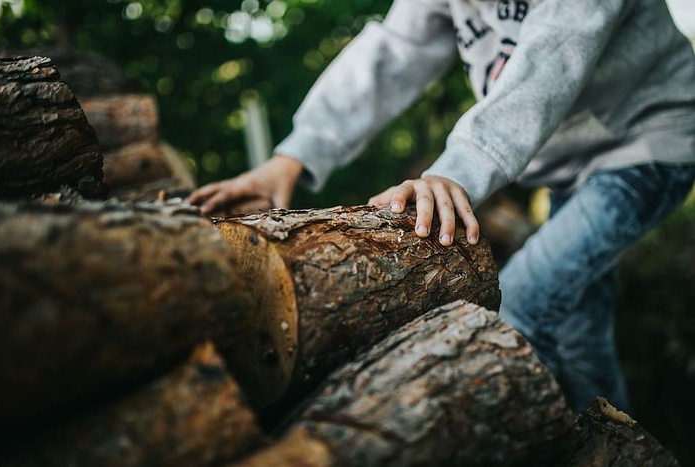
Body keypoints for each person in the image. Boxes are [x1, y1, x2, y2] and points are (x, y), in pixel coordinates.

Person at [189, 0, 695, 412]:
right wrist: (295, 155)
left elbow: (553, 58)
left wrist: (457, 170)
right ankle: (616, 440)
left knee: (520, 306)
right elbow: (392, 54)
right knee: (579, 327)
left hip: (649, 147)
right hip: (573, 165)